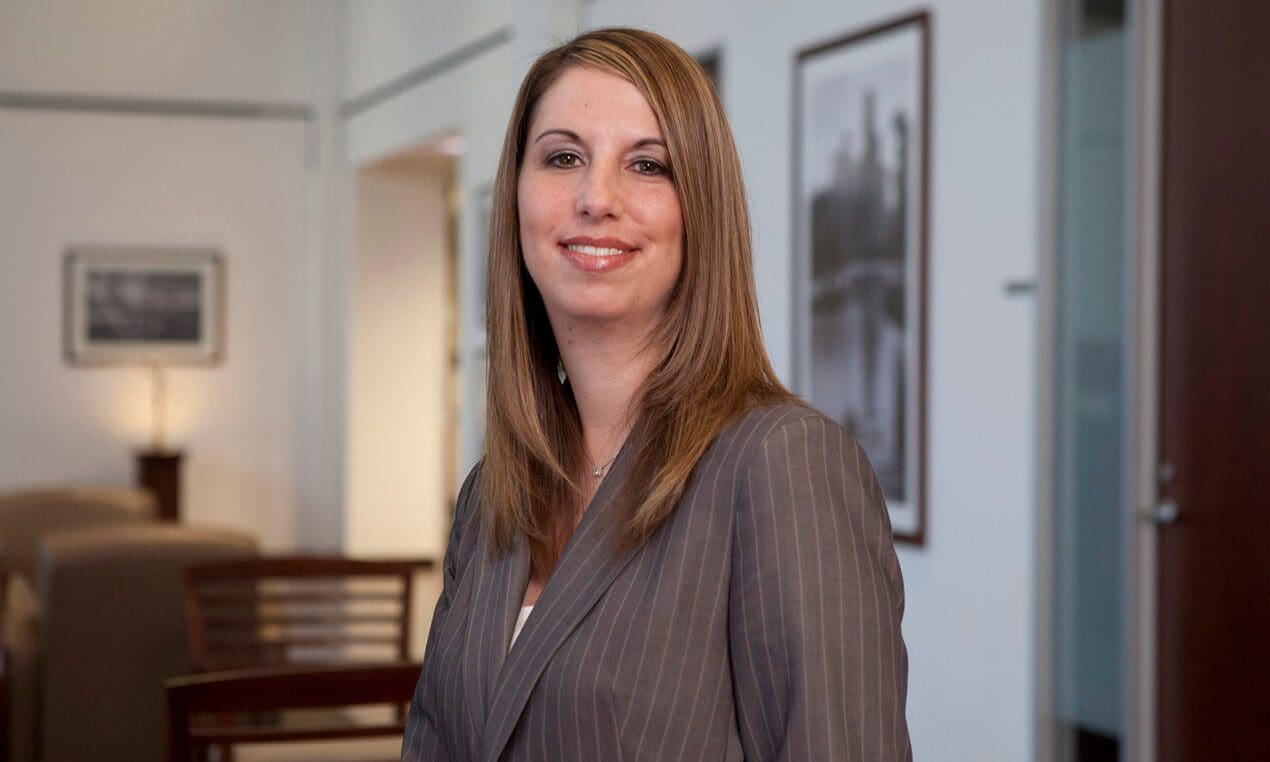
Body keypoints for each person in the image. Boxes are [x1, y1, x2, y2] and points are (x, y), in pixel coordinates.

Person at [402, 27, 911, 761]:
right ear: (515, 196)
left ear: (699, 211)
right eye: (564, 156)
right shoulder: (492, 496)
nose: (595, 197)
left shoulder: (781, 466)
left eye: (647, 164)